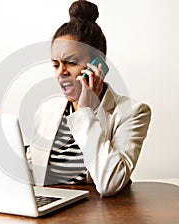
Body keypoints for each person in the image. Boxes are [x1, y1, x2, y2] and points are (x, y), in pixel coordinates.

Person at [26, 0, 151, 197]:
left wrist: (85, 112)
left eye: (71, 62)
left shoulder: (133, 112)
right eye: (55, 64)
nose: (61, 72)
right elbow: (32, 174)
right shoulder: (47, 110)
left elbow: (109, 184)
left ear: (98, 64)